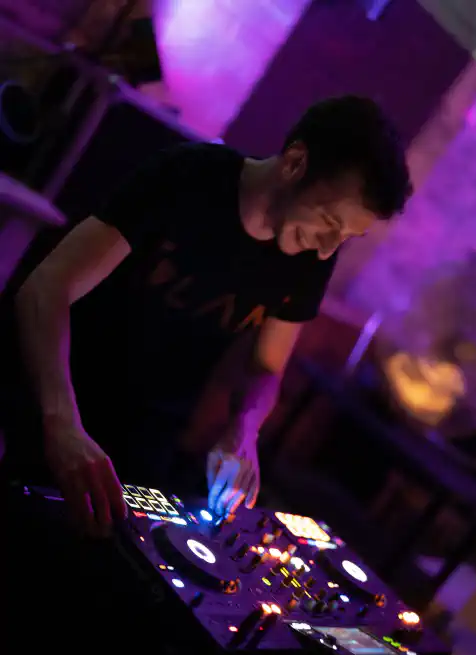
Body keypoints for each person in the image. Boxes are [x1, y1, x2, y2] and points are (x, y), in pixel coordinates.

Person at [6, 96, 411, 535]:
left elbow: (266, 366)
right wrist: (61, 421)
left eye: (345, 238)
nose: (328, 249)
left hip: (143, 447)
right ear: (295, 163)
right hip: (50, 401)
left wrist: (244, 429)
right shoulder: (188, 177)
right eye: (330, 222)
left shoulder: (309, 256)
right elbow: (48, 288)